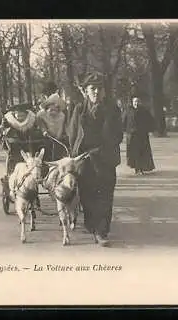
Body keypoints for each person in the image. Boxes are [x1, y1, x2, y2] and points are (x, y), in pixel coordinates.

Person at [65, 72, 123, 247]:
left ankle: (101, 232)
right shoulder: (79, 109)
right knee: (87, 196)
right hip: (84, 160)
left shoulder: (112, 109)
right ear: (86, 90)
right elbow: (72, 133)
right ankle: (92, 225)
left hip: (105, 158)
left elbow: (117, 135)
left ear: (104, 91)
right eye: (93, 88)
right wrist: (75, 154)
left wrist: (100, 149)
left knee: (105, 197)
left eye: (100, 88)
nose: (96, 92)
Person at [122, 97, 155, 175]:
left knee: (141, 152)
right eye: (134, 101)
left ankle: (141, 168)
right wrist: (124, 130)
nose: (136, 103)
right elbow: (123, 120)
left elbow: (150, 120)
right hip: (131, 135)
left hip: (142, 135)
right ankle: (137, 168)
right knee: (134, 152)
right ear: (132, 102)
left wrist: (149, 129)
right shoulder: (128, 111)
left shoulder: (144, 110)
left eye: (137, 101)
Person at [36, 92, 68, 161]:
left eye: (55, 110)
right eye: (50, 110)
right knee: (45, 149)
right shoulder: (41, 114)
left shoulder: (62, 116)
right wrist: (44, 131)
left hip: (58, 137)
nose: (53, 112)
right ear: (46, 108)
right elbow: (40, 123)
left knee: (59, 149)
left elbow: (61, 128)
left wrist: (58, 137)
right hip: (46, 136)